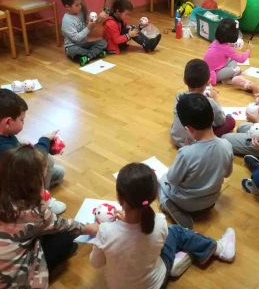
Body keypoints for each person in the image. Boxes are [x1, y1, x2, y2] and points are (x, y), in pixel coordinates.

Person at [0, 145, 98, 288]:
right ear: (33, 183)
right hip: (9, 282)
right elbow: (62, 225)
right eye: (43, 177)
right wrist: (89, 228)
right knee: (64, 239)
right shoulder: (35, 212)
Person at [90, 162, 236, 289]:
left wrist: (108, 233)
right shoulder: (159, 222)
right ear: (153, 196)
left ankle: (175, 261)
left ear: (119, 199)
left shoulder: (105, 231)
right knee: (176, 232)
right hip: (154, 284)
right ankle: (220, 249)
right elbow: (153, 243)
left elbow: (96, 263)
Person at [0, 89, 66, 214]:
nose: (23, 122)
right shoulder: (2, 149)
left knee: (58, 172)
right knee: (46, 161)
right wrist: (45, 140)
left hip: (8, 178)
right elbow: (37, 159)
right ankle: (40, 201)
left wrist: (47, 146)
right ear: (8, 122)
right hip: (5, 194)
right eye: (22, 120)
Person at [161, 93, 233, 229]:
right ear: (212, 115)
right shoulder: (226, 145)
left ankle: (166, 204)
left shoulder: (185, 153)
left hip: (185, 203)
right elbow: (227, 174)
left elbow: (172, 179)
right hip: (211, 201)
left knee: (161, 179)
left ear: (188, 129)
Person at [170, 59, 235, 148]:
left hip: (176, 138)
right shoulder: (209, 102)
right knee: (230, 121)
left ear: (184, 80)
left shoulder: (179, 96)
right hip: (194, 143)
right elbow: (221, 121)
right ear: (208, 81)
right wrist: (215, 99)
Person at [60, 0, 107, 66]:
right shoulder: (67, 21)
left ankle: (88, 57)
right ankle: (94, 54)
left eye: (80, 4)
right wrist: (88, 27)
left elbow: (86, 31)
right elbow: (76, 38)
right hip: (73, 46)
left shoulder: (80, 13)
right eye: (77, 5)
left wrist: (92, 25)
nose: (80, 7)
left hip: (84, 44)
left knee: (103, 42)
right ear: (67, 7)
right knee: (73, 51)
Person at [203, 18, 250, 86]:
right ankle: (226, 79)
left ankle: (226, 78)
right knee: (237, 69)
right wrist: (248, 51)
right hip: (213, 74)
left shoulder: (216, 41)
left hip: (210, 69)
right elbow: (241, 59)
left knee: (232, 60)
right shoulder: (227, 48)